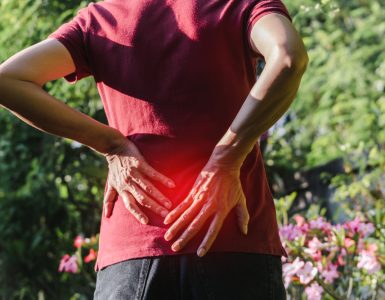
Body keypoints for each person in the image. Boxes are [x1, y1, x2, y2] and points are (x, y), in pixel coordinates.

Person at [0, 0, 308, 298]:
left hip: (131, 251)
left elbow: (8, 79)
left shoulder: (102, 18)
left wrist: (111, 144)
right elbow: (288, 56)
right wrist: (227, 157)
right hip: (232, 242)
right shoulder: (238, 5)